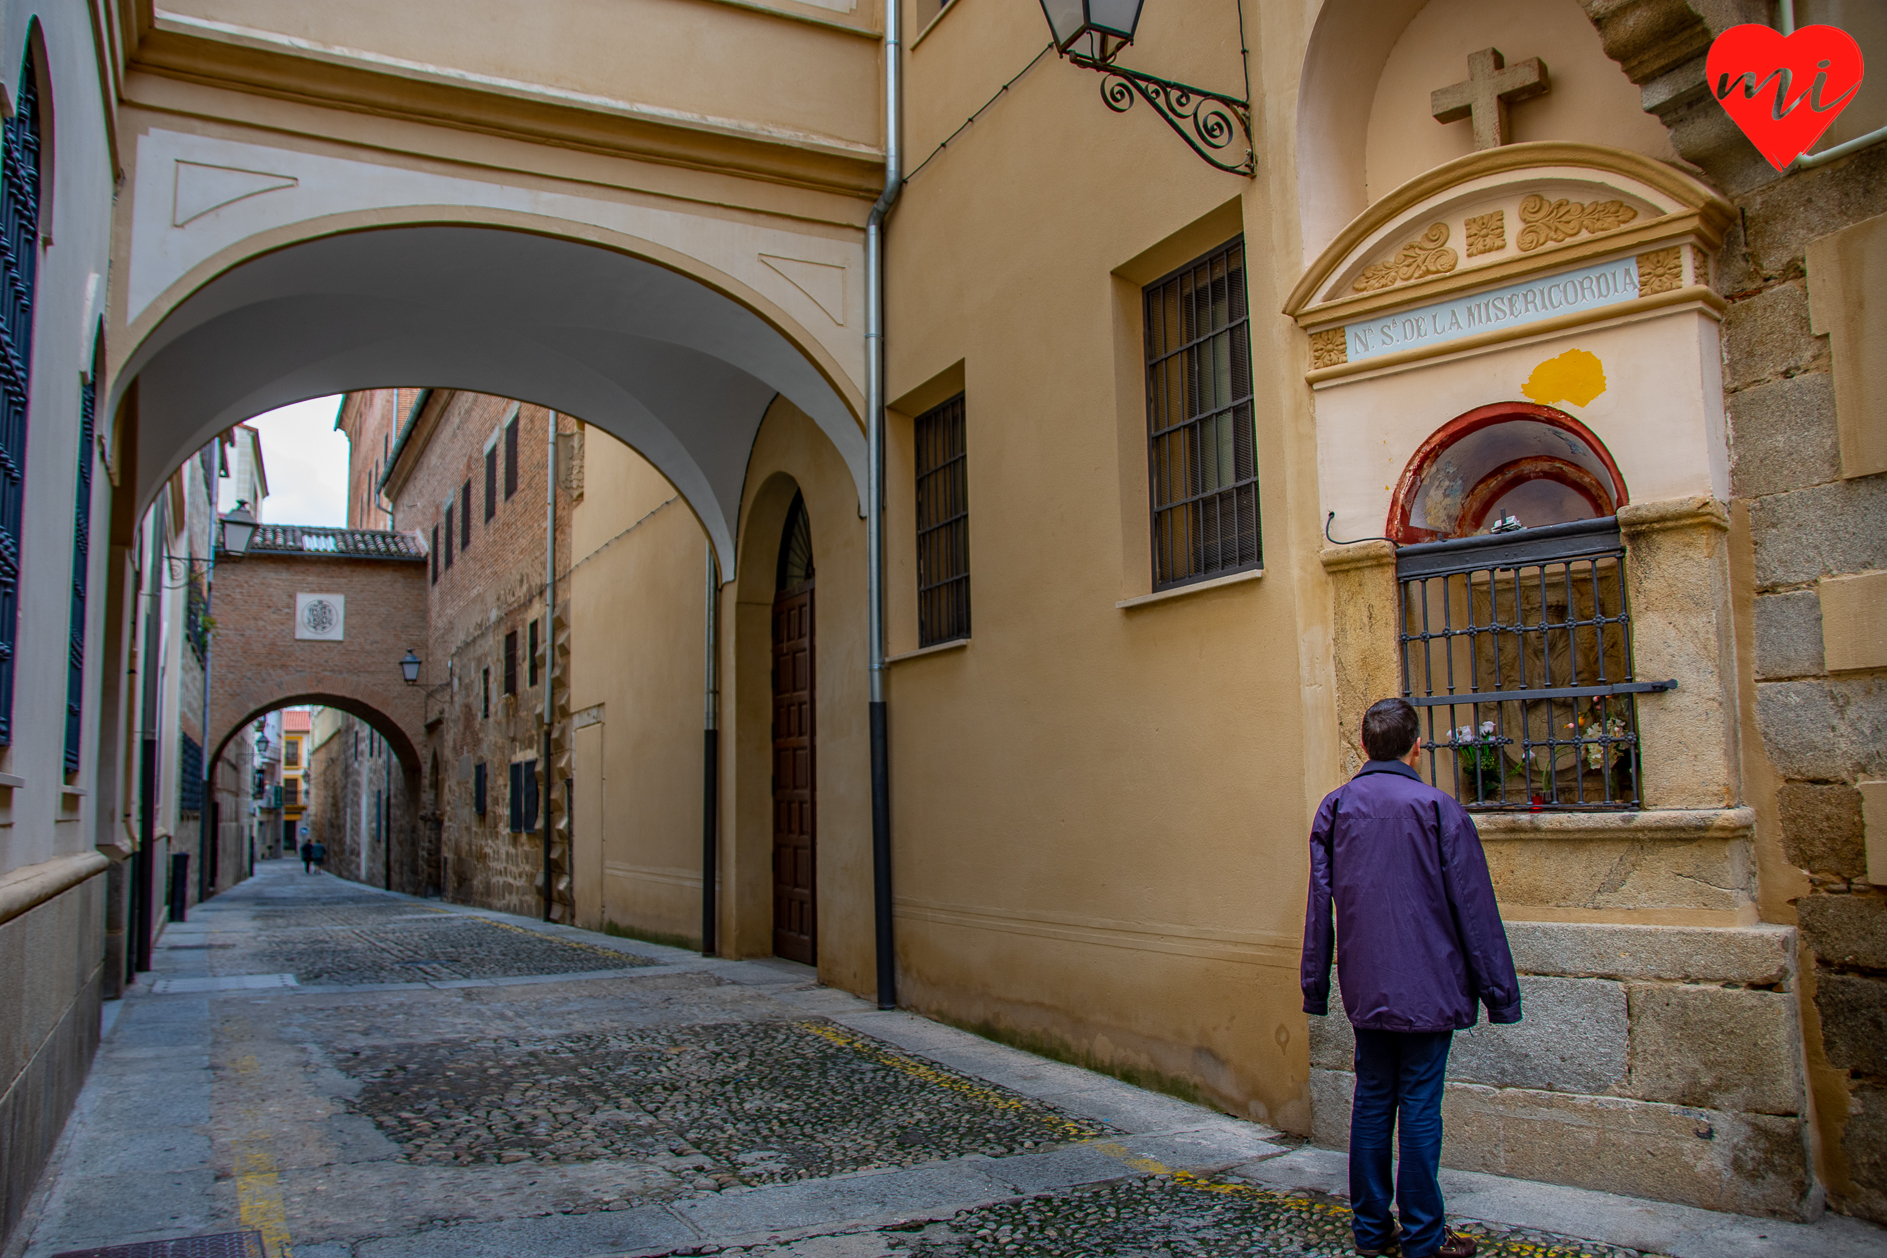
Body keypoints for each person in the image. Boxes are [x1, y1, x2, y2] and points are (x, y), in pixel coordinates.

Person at [1301, 697, 1521, 1258]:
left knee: (1373, 1098)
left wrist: (1316, 983)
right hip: (1431, 984)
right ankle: (1424, 1235)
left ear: (1362, 742)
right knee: (1420, 1103)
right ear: (1417, 747)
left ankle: (1372, 1233)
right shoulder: (1439, 808)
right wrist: (1499, 994)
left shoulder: (1336, 808)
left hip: (1368, 986)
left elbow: (1318, 904)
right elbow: (1474, 908)